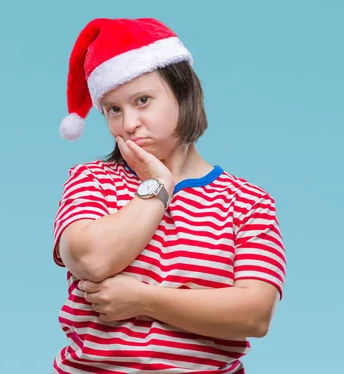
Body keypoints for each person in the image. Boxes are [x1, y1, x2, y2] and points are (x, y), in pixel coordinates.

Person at [51, 17, 287, 374]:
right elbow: (90, 259)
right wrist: (157, 186)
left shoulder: (248, 202)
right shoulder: (91, 179)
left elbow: (255, 314)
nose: (128, 123)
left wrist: (145, 298)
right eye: (114, 109)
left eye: (142, 100)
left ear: (184, 92)